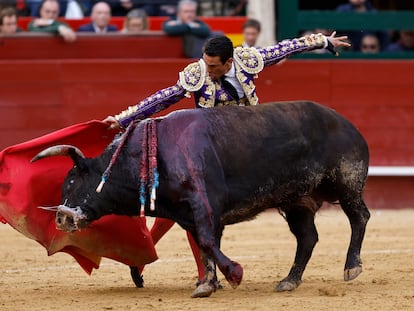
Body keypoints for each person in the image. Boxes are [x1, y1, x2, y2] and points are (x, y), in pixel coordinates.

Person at [102, 31, 350, 288]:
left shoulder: (248, 60)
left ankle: (143, 258)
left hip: (245, 147)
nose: (206, 70)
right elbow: (165, 97)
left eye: (212, 66)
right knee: (186, 204)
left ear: (228, 62)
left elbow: (286, 48)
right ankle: (197, 273)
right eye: (205, 62)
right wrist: (123, 119)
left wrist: (323, 41)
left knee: (182, 207)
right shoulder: (197, 73)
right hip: (210, 150)